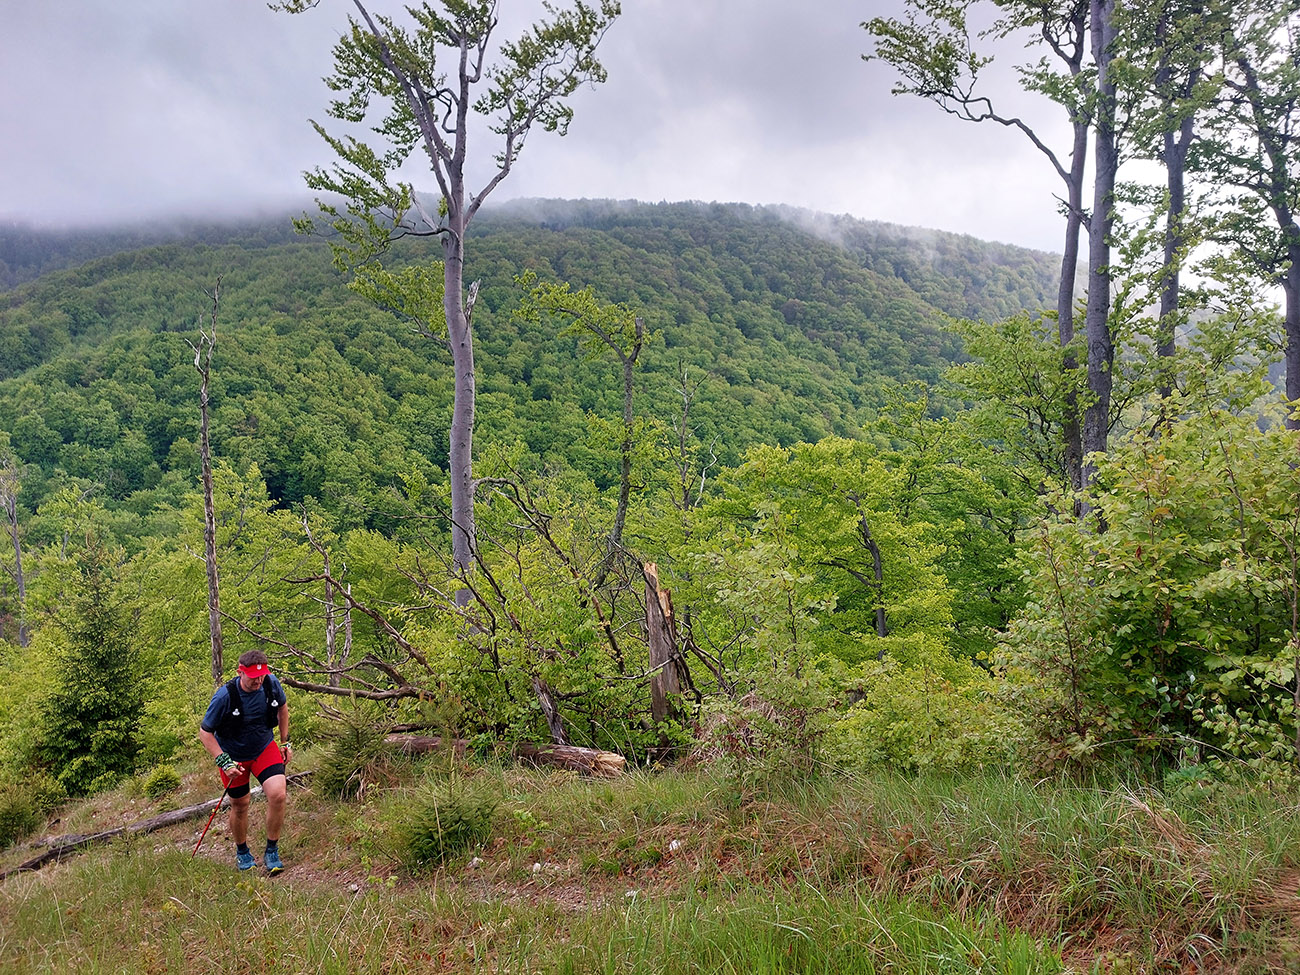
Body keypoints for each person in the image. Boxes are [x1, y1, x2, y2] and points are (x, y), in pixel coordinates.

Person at [198, 649, 292, 874]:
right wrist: (223, 761)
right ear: (240, 672)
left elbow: (282, 708)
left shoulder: (271, 684)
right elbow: (205, 732)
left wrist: (285, 742)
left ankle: (272, 850)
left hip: (263, 748)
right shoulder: (225, 696)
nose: (258, 681)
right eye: (253, 677)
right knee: (240, 805)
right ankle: (242, 852)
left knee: (278, 794)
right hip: (234, 757)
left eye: (261, 676)